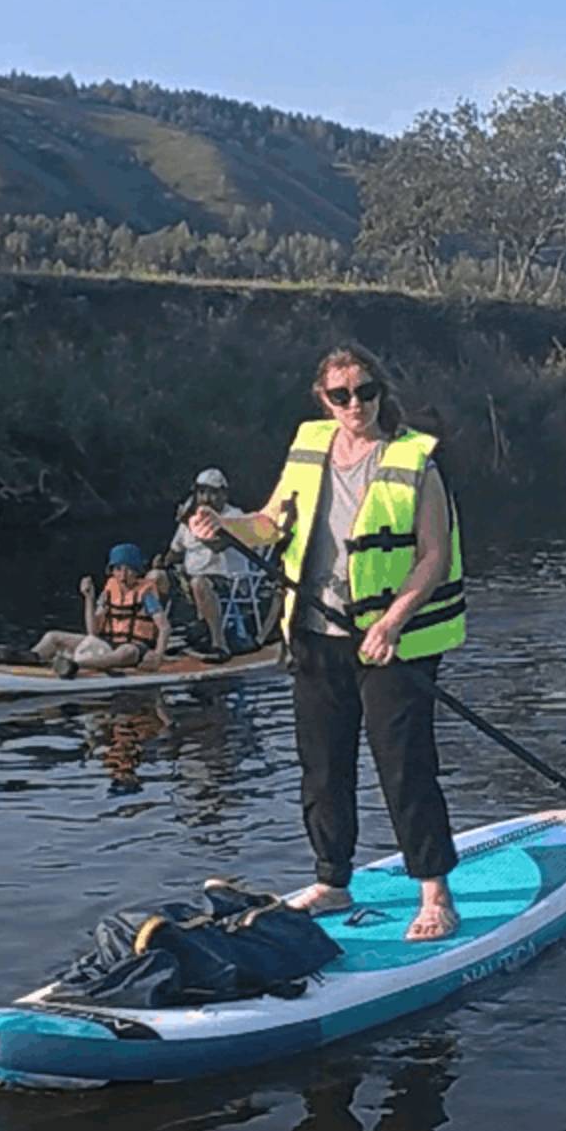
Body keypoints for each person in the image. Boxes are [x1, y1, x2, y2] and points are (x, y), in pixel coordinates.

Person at [202, 342, 465, 943]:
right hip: (317, 636)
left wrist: (393, 620)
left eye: (366, 391)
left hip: (391, 641)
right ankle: (332, 878)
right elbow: (269, 523)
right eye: (342, 395)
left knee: (404, 765)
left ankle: (434, 889)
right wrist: (224, 529)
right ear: (324, 399)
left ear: (381, 391)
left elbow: (434, 555)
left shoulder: (413, 459)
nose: (356, 405)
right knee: (322, 766)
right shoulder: (309, 449)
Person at [176, 466, 278, 655]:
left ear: (224, 493)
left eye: (212, 493)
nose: (205, 498)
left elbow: (218, 545)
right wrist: (160, 563)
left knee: (199, 583)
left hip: (229, 579)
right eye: (201, 492)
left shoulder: (234, 517)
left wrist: (192, 525)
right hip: (191, 578)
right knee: (156, 577)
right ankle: (146, 643)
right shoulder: (192, 518)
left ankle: (218, 643)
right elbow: (174, 551)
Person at [30, 544, 168, 675]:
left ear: (137, 571)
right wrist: (89, 598)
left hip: (135, 648)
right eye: (118, 569)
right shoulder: (108, 592)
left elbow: (164, 627)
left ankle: (77, 664)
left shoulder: (146, 594)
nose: (123, 576)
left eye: (129, 570)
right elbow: (93, 632)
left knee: (126, 652)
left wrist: (158, 656)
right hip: (107, 643)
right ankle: (32, 657)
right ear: (112, 571)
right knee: (53, 636)